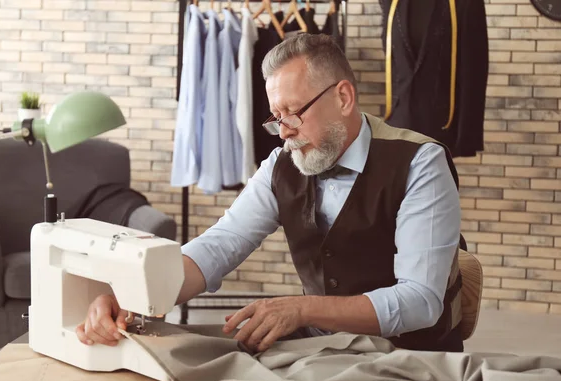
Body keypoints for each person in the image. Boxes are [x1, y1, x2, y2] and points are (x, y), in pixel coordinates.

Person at [76, 33, 464, 353]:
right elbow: (219, 245)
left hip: (412, 355)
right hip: (322, 351)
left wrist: (303, 309)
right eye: (276, 119)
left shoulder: (421, 163)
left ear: (343, 98)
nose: (284, 132)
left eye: (293, 113)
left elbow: (420, 301)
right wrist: (133, 296)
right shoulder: (282, 164)